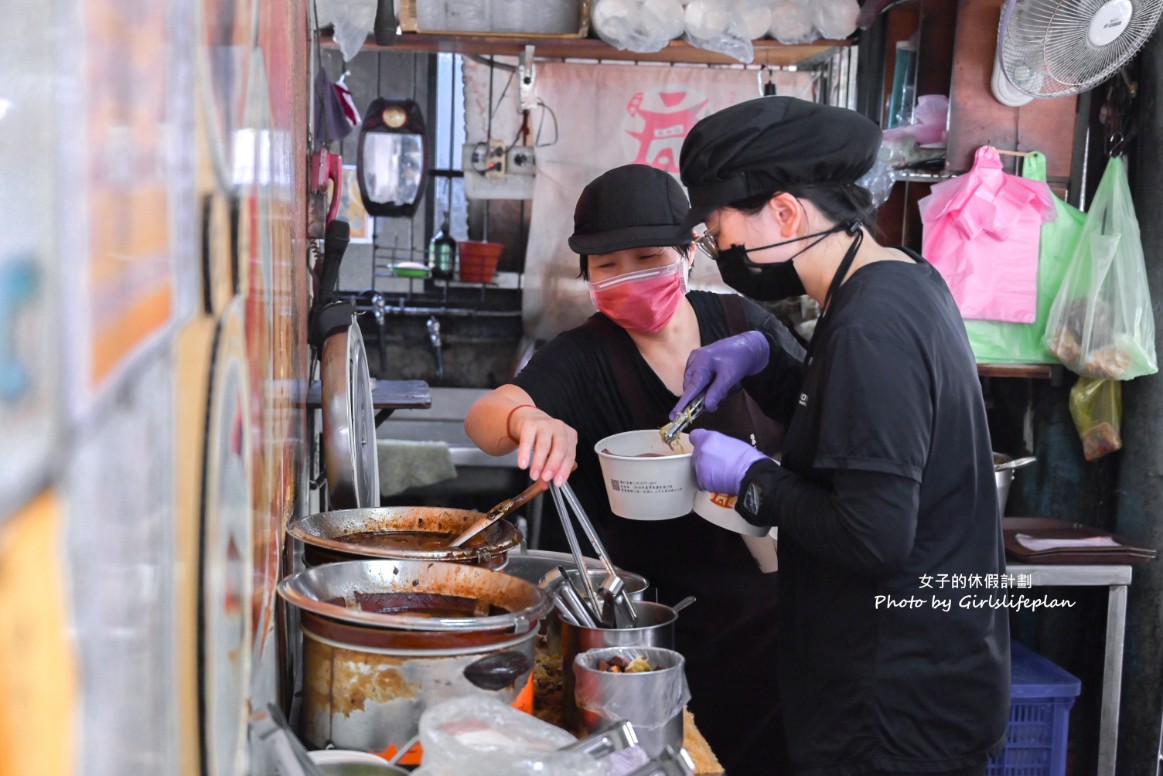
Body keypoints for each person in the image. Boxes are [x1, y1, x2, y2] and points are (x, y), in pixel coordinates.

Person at [672, 96, 1010, 776]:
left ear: (786, 213)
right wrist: (768, 365)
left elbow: (871, 534)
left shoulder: (869, 326)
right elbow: (859, 421)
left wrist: (749, 480)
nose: (719, 250)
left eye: (717, 230)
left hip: (889, 708)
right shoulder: (896, 279)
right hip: (910, 677)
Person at [464, 163, 802, 774]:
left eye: (647, 256)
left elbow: (822, 405)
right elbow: (486, 418)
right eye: (607, 265)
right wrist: (526, 421)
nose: (627, 278)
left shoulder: (742, 325)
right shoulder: (584, 355)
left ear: (686, 251)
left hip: (776, 618)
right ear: (587, 273)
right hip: (647, 633)